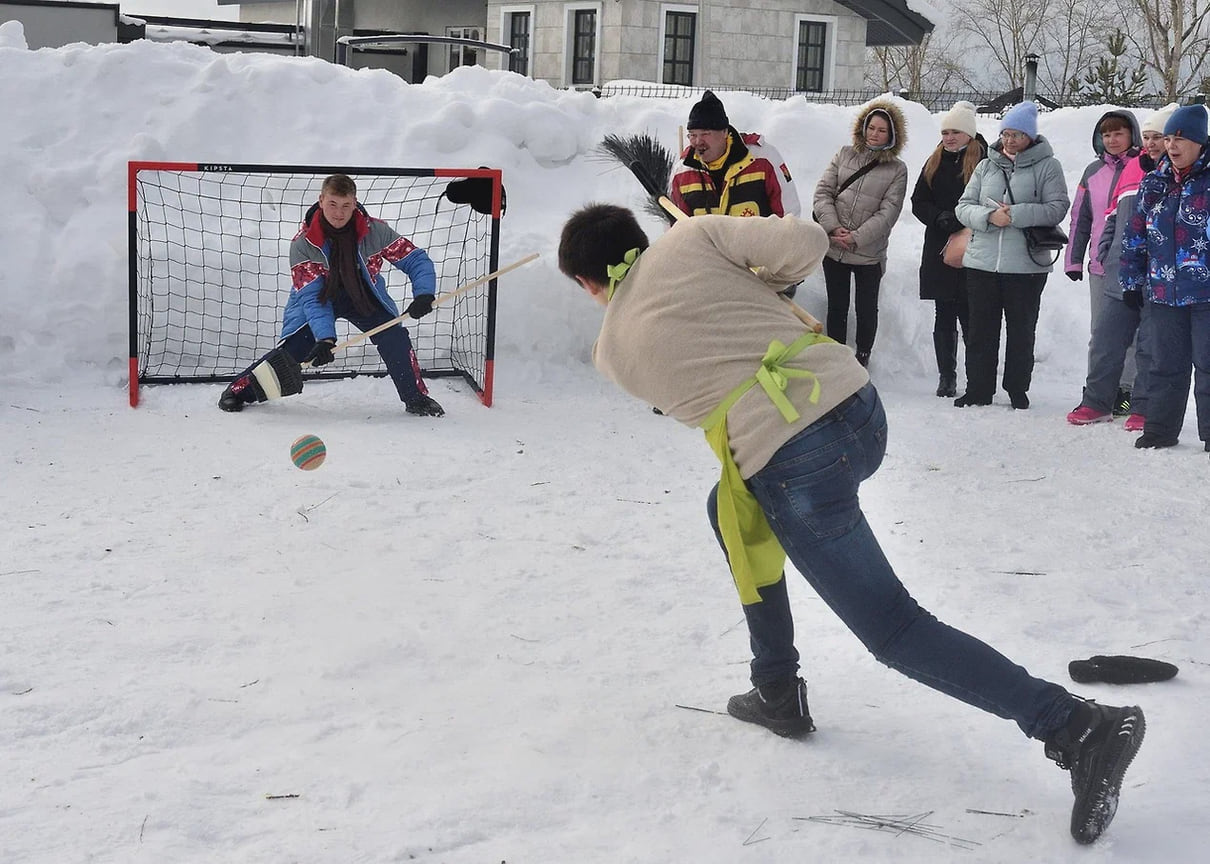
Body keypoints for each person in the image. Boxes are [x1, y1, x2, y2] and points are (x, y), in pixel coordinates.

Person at [557, 202, 1144, 845]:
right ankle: (775, 687)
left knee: (895, 630)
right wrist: (753, 268)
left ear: (589, 283)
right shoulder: (692, 234)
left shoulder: (611, 353)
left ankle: (1074, 725)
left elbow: (696, 383)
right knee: (726, 511)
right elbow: (807, 244)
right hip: (856, 409)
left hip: (799, 464)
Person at [218, 173, 445, 416]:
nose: (339, 213)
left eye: (346, 205)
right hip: (321, 299)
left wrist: (424, 294)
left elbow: (416, 260)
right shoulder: (304, 244)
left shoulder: (376, 231)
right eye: (333, 204)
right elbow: (312, 298)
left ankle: (416, 398)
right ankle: (238, 390)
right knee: (295, 350)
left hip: (365, 297)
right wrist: (325, 339)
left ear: (355, 203)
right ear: (321, 200)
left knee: (395, 338)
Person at [953, 101, 1069, 409]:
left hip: (1027, 266)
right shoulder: (987, 164)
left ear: (1030, 136)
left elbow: (1057, 207)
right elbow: (963, 206)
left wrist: (1016, 215)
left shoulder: (1048, 166)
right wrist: (989, 218)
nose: (1010, 140)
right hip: (982, 262)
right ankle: (978, 388)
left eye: (1017, 134)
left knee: (1021, 330)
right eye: (1006, 133)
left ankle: (1018, 388)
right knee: (980, 331)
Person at [1068, 105, 1177, 430]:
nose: (1155, 143)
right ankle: (1097, 402)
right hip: (1118, 270)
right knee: (1104, 340)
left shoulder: (1178, 173)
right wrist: (1106, 250)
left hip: (1158, 276)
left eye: (1161, 137)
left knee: (1148, 344)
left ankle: (1142, 406)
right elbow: (1111, 217)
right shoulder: (1132, 170)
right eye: (1150, 137)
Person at [1120, 104, 1210, 452]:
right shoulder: (1154, 182)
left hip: (1205, 293)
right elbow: (1135, 236)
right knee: (1164, 365)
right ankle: (1159, 429)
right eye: (1169, 138)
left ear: (1200, 142)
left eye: (1181, 139)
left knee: (1208, 365)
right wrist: (1130, 281)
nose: (1172, 145)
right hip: (1163, 292)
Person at [813, 99, 908, 367]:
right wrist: (833, 227)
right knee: (837, 306)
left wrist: (855, 237)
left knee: (866, 309)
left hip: (868, 252)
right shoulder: (844, 154)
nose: (874, 134)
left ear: (892, 135)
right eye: (871, 127)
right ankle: (836, 358)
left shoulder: (897, 169)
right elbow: (822, 193)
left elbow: (888, 213)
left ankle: (863, 356)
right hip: (834, 246)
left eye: (882, 130)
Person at [1064, 111, 1142, 419]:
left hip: (1135, 265)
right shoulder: (1092, 171)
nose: (1112, 140)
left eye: (1118, 133)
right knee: (1102, 333)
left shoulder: (1142, 167)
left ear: (1131, 135)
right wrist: (1074, 258)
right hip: (1101, 266)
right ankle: (1097, 392)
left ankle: (1126, 390)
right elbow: (1080, 218)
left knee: (1134, 335)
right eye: (1106, 134)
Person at [910, 101, 987, 397]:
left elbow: (991, 198)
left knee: (972, 314)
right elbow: (919, 201)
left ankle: (977, 376)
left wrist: (964, 218)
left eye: (955, 131)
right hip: (939, 245)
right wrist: (938, 217)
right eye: (945, 132)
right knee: (944, 313)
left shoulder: (985, 160)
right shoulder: (934, 160)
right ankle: (947, 376)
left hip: (974, 243)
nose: (949, 137)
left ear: (969, 133)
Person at [669, 90, 800, 219]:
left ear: (725, 132)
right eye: (693, 135)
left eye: (705, 134)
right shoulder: (682, 173)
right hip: (703, 241)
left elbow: (789, 218)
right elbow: (676, 229)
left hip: (758, 240)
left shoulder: (763, 159)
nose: (698, 142)